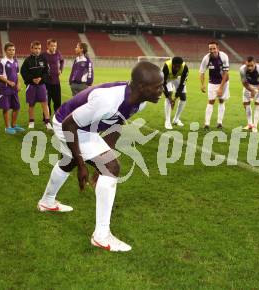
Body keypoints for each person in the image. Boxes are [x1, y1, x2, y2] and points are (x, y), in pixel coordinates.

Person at [37, 62, 164, 252]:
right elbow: (69, 125)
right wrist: (83, 166)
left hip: (85, 127)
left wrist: (99, 163)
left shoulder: (140, 100)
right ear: (141, 87)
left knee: (74, 160)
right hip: (67, 124)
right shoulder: (108, 100)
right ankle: (101, 236)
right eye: (158, 86)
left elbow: (116, 124)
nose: (162, 90)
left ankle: (47, 202)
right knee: (112, 167)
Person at [20, 40, 52, 130]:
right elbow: (23, 72)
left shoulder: (44, 59)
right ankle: (31, 121)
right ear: (31, 49)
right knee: (31, 104)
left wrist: (41, 78)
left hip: (41, 85)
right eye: (35, 48)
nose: (37, 50)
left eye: (39, 48)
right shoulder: (27, 60)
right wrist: (32, 79)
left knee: (45, 104)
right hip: (31, 86)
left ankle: (47, 122)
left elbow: (47, 71)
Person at [199, 41, 230, 130]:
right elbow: (201, 72)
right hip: (212, 82)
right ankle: (207, 124)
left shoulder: (224, 57)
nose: (212, 50)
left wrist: (220, 88)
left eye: (214, 48)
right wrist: (202, 84)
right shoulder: (206, 58)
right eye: (210, 49)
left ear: (217, 48)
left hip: (224, 82)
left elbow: (225, 73)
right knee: (211, 101)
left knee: (221, 100)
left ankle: (219, 123)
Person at [0, 42, 24, 134]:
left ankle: (14, 125)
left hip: (14, 89)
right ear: (5, 51)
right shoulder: (2, 62)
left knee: (16, 107)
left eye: (13, 50)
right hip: (5, 89)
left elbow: (17, 74)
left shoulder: (15, 61)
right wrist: (8, 82)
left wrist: (18, 83)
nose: (12, 52)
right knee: (6, 108)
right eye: (9, 50)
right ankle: (7, 127)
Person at [239, 56, 259, 133]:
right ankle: (250, 124)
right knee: (246, 103)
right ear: (245, 64)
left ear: (255, 64)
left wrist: (256, 91)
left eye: (252, 65)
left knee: (257, 103)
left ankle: (255, 125)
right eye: (248, 66)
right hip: (249, 85)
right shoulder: (242, 70)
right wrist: (251, 90)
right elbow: (244, 83)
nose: (250, 68)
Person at [162, 56, 189, 129]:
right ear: (172, 64)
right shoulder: (166, 67)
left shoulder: (185, 68)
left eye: (179, 66)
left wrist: (176, 97)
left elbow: (182, 84)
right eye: (175, 66)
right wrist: (169, 97)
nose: (177, 68)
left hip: (176, 78)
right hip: (167, 79)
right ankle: (167, 121)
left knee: (183, 97)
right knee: (169, 96)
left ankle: (176, 119)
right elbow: (163, 84)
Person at [42, 38, 64, 116]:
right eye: (52, 46)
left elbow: (62, 61)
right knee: (46, 102)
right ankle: (46, 120)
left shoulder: (58, 53)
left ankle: (57, 118)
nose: (54, 47)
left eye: (55, 46)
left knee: (57, 102)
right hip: (46, 82)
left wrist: (61, 69)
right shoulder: (43, 55)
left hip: (56, 82)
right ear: (47, 46)